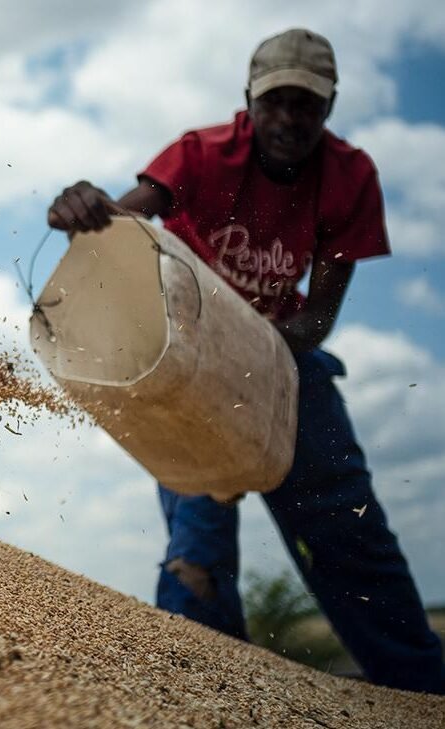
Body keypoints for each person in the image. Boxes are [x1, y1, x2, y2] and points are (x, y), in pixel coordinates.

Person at [46, 27, 445, 694]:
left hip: (283, 361)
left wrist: (254, 346)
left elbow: (317, 318)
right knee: (198, 544)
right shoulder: (203, 155)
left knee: (349, 533)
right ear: (249, 102)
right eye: (276, 102)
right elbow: (124, 224)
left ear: (331, 106)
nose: (290, 119)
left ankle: (419, 692)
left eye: (307, 105)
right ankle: (203, 695)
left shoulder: (350, 177)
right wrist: (85, 203)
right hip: (193, 369)